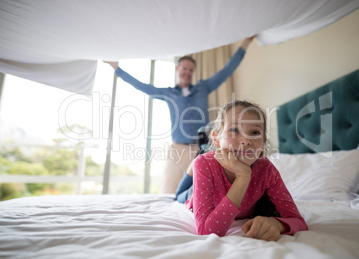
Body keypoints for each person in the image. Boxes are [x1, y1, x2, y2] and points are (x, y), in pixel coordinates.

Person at [104, 37, 255, 193]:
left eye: (190, 69)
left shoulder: (203, 88)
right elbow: (143, 87)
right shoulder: (169, 93)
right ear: (177, 69)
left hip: (202, 149)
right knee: (170, 191)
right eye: (184, 68)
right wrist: (117, 69)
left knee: (205, 192)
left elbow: (226, 71)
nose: (187, 72)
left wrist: (245, 44)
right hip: (178, 150)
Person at [182, 100, 308, 240]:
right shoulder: (204, 163)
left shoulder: (266, 169)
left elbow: (298, 221)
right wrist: (243, 176)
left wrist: (278, 224)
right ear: (216, 138)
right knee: (179, 195)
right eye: (234, 130)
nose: (246, 140)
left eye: (254, 132)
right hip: (192, 195)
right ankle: (191, 168)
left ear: (263, 142)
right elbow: (207, 232)